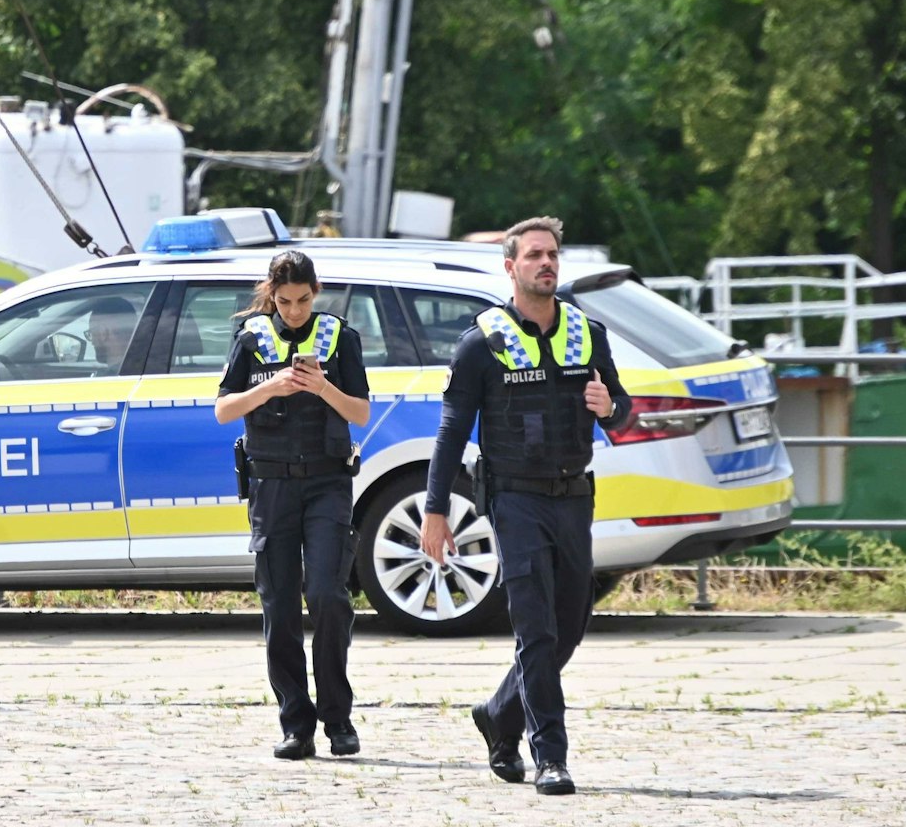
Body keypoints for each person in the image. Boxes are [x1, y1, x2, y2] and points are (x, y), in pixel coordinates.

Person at [419, 217, 630, 796]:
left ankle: (498, 714)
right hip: (514, 498)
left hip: (574, 496)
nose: (546, 263)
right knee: (535, 627)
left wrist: (610, 406)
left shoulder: (588, 334)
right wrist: (435, 511)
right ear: (511, 267)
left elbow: (622, 409)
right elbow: (451, 431)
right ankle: (550, 757)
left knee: (570, 626)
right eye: (535, 255)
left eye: (552, 254)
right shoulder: (481, 343)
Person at [214, 251, 371, 760]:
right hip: (271, 486)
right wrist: (271, 388)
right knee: (279, 605)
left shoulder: (340, 337)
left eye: (303, 300)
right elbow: (223, 410)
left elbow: (360, 413)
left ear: (315, 291)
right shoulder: (251, 338)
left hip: (327, 482)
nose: (295, 310)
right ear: (272, 296)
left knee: (327, 595)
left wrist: (322, 387)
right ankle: (296, 724)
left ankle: (338, 718)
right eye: (285, 301)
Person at [86, 296, 139, 372]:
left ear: (103, 333)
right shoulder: (145, 367)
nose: (92, 342)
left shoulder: (112, 377)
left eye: (92, 333)